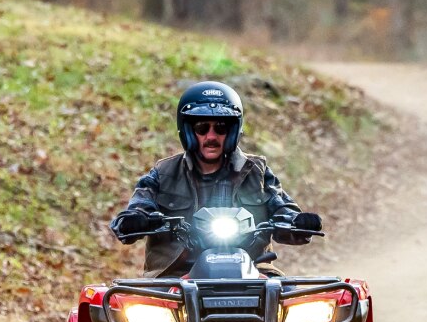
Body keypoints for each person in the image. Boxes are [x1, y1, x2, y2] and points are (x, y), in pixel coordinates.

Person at [110, 81, 321, 278]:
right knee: (127, 311)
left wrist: (297, 222)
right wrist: (135, 221)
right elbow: (136, 211)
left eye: (220, 128)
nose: (211, 137)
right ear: (188, 131)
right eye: (202, 128)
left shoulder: (257, 172)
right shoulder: (164, 173)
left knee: (295, 308)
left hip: (253, 270)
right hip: (175, 274)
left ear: (233, 131)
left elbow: (284, 212)